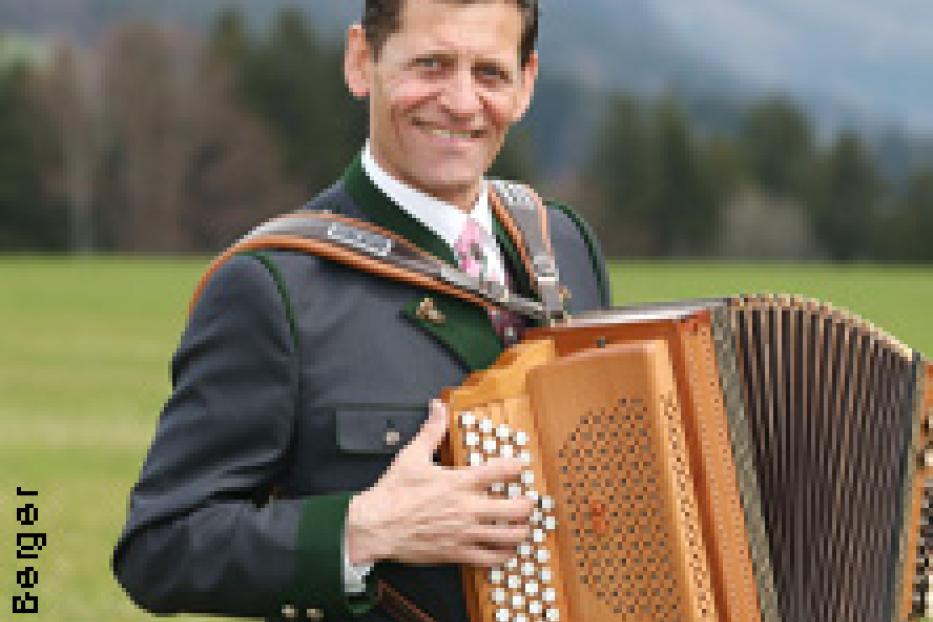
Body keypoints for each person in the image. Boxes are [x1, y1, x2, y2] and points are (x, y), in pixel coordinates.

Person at [112, 1, 610, 621]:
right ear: (360, 61)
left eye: (490, 73)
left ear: (527, 82)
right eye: (430, 65)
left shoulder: (564, 246)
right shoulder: (273, 286)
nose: (460, 102)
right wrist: (360, 530)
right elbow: (160, 550)